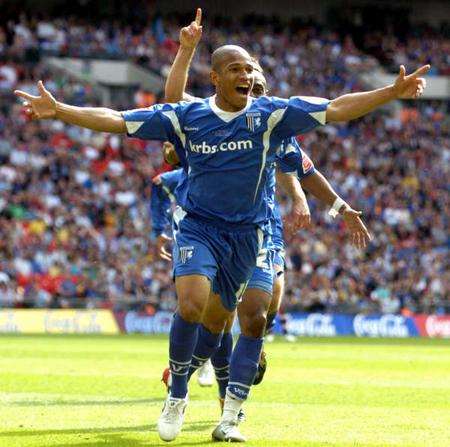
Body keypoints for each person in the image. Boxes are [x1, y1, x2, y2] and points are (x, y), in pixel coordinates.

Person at [15, 9, 428, 441]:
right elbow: (118, 118)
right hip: (200, 229)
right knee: (191, 305)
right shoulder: (188, 117)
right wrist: (60, 109)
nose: (246, 74)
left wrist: (390, 91)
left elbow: (336, 110)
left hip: (251, 234)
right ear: (215, 78)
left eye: (250, 67)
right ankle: (177, 395)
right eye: (236, 68)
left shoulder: (272, 117)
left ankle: (230, 416)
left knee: (252, 320)